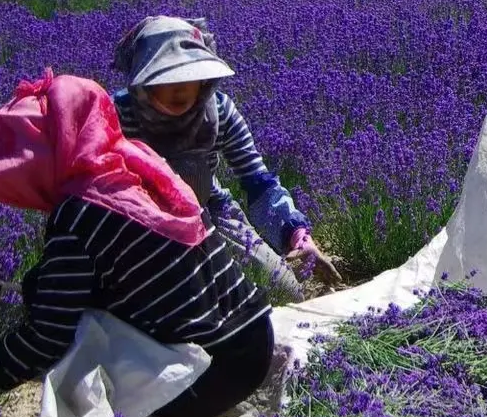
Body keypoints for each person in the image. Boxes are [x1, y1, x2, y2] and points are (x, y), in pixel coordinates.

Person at [0, 72, 276, 417]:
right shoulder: (137, 167)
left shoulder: (80, 215)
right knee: (60, 288)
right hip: (257, 344)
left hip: (206, 385)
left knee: (70, 329)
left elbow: (42, 342)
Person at [110, 16, 337, 303]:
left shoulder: (219, 112)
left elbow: (258, 183)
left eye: (188, 74)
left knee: (284, 290)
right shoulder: (118, 114)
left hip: (209, 209)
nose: (179, 87)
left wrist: (297, 237)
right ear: (145, 82)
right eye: (166, 76)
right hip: (137, 220)